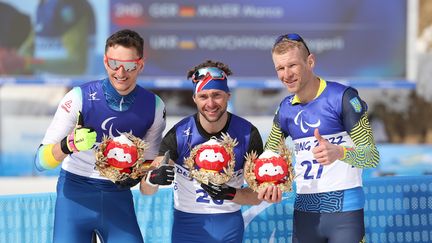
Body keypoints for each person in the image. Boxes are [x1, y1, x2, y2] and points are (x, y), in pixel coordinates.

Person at [34, 29, 166, 242]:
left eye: (130, 66)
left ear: (140, 65)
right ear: (105, 62)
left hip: (117, 197)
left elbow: (146, 189)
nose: (121, 73)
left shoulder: (154, 107)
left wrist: (152, 177)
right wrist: (68, 145)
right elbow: (40, 161)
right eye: (114, 64)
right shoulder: (79, 98)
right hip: (75, 195)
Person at [258, 33, 380, 243]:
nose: (286, 74)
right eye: (280, 68)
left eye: (293, 65)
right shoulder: (285, 108)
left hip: (344, 213)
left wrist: (340, 152)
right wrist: (267, 183)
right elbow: (268, 156)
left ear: (310, 61)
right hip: (305, 214)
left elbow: (372, 156)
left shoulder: (343, 97)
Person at [140, 60, 264, 243]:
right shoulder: (178, 134)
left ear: (228, 96)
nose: (211, 103)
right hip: (188, 228)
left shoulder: (247, 134)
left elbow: (256, 196)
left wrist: (230, 193)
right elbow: (146, 189)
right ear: (195, 99)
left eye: (217, 95)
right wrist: (153, 178)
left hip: (228, 228)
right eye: (204, 96)